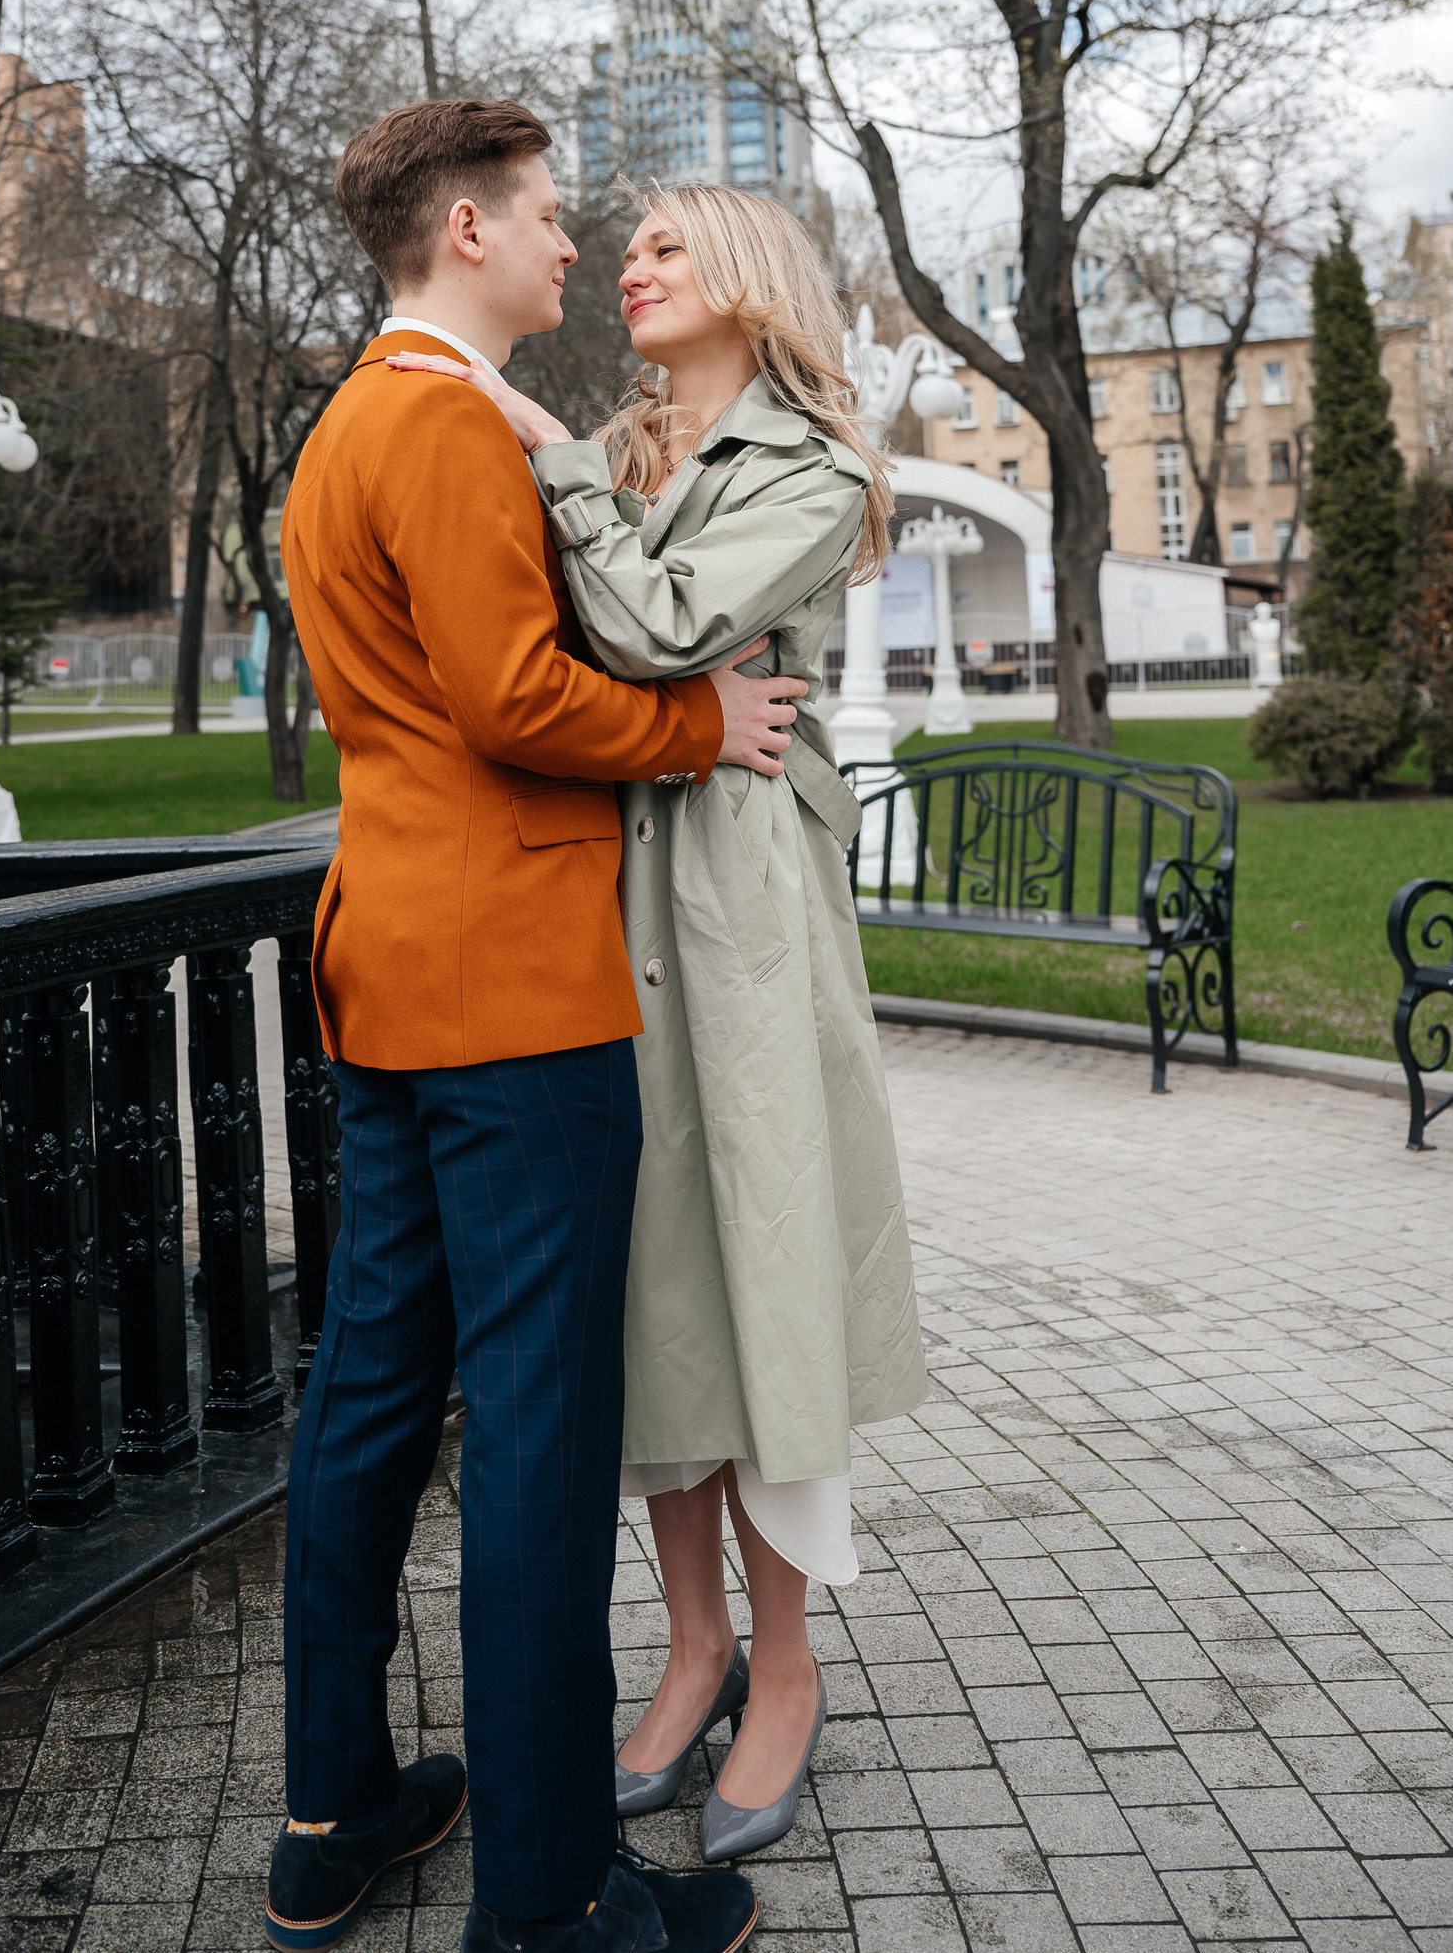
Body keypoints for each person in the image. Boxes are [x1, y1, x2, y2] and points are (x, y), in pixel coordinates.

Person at [271, 103, 806, 1953]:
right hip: (510, 989)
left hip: (391, 970)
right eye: (553, 215)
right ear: (469, 228)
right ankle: (550, 1899)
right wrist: (697, 728)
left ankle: (335, 1809)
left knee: (368, 1393)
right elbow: (511, 698)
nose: (576, 244)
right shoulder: (435, 423)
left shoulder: (345, 424)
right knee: (539, 1439)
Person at [386, 181, 926, 1866]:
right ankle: (695, 1648)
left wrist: (558, 468)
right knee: (652, 1292)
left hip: (741, 905)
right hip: (599, 889)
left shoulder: (810, 469)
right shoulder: (615, 453)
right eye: (621, 244)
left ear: (750, 277)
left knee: (761, 1274)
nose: (628, 264)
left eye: (666, 245)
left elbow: (658, 625)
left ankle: (789, 1665)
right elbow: (549, 661)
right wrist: (587, 508)